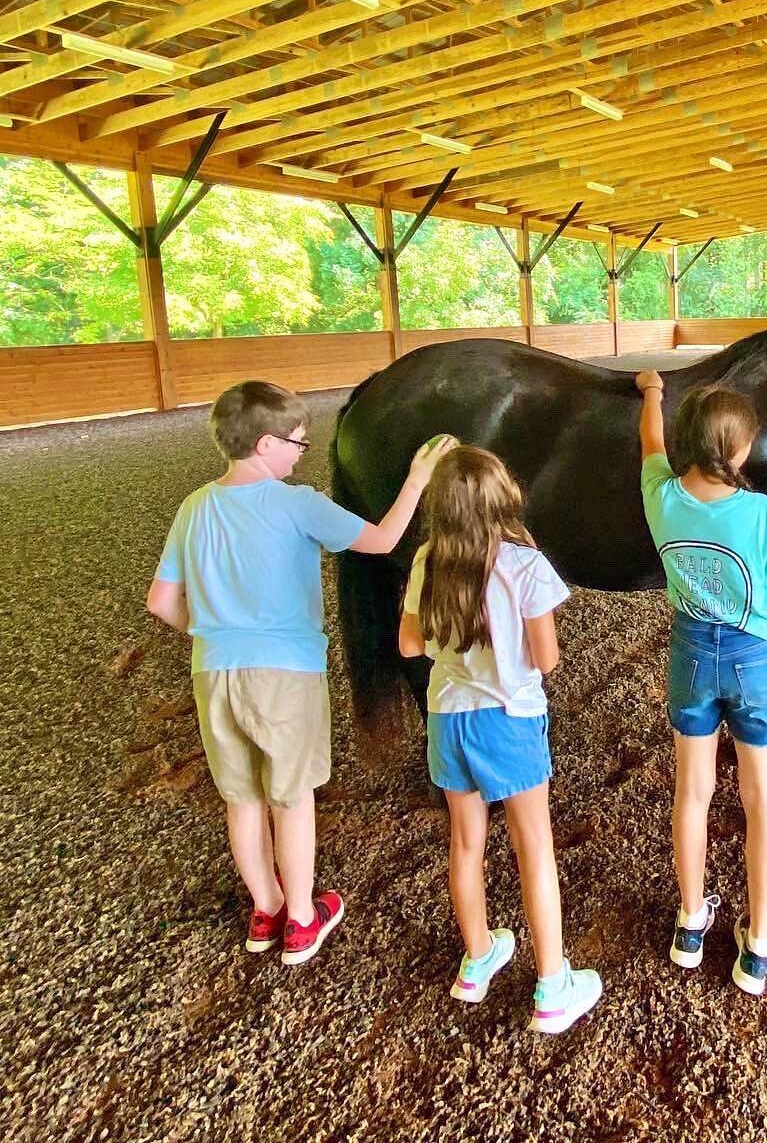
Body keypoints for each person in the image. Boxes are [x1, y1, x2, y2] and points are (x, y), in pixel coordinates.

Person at [146, 381, 453, 963]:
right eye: (298, 443)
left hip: (214, 671)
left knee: (241, 799)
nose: (300, 452)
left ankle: (264, 910)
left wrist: (218, 632)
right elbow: (384, 538)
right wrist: (416, 477)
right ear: (266, 443)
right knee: (291, 798)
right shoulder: (297, 503)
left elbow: (161, 602)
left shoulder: (194, 506)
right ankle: (303, 919)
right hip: (284, 674)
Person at [398, 446, 602, 1033]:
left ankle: (478, 958)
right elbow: (549, 658)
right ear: (500, 500)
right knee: (534, 847)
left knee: (465, 844)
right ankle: (552, 985)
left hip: (447, 717)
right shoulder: (525, 566)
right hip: (508, 718)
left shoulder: (426, 561)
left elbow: (411, 647)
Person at [635, 371, 767, 996]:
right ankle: (758, 942)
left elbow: (649, 444)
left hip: (690, 655)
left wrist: (652, 394)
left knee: (692, 793)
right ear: (738, 452)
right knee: (761, 801)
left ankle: (690, 921)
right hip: (754, 659)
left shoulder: (662, 498)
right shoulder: (758, 511)